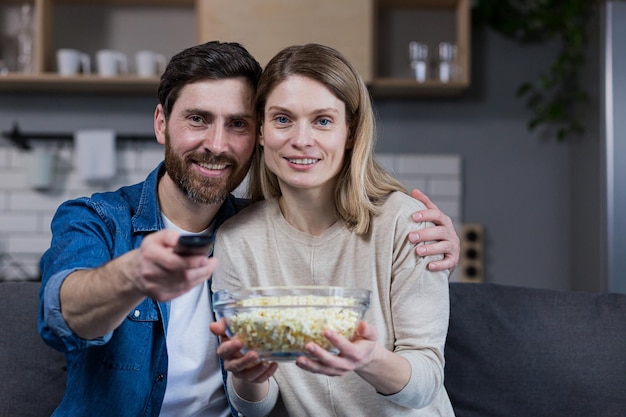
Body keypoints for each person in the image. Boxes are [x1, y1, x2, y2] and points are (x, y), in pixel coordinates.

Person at [37, 41, 458, 417]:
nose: (218, 144)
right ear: (162, 123)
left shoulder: (248, 227)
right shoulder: (102, 220)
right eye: (198, 119)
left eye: (237, 123)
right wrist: (130, 276)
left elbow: (421, 372)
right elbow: (65, 317)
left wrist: (430, 250)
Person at [210, 43, 455, 416]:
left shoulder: (408, 224)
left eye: (323, 120)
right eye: (282, 119)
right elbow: (255, 407)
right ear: (261, 131)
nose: (301, 139)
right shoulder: (238, 240)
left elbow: (425, 383)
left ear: (351, 132)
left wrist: (367, 358)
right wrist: (247, 376)